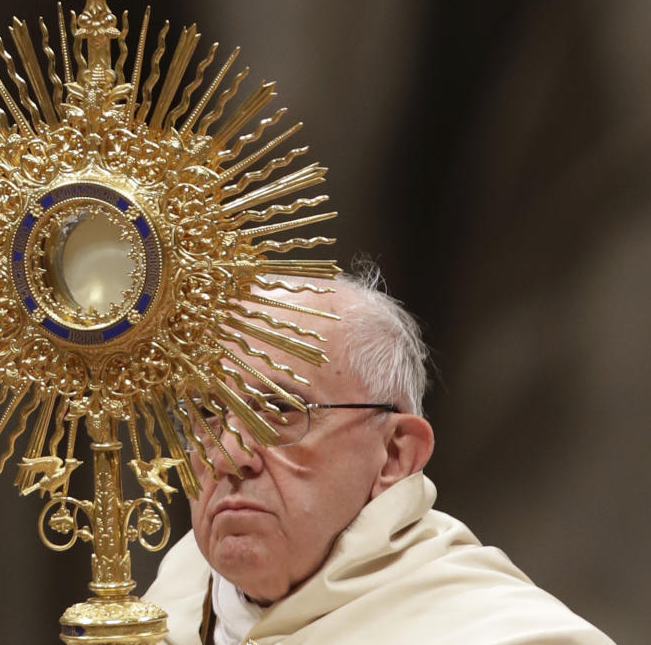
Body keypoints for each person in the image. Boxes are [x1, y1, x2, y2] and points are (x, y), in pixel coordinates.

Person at [145, 269, 615, 645]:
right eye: (206, 414)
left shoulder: (499, 633)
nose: (227, 457)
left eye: (281, 410)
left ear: (395, 455)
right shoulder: (172, 602)